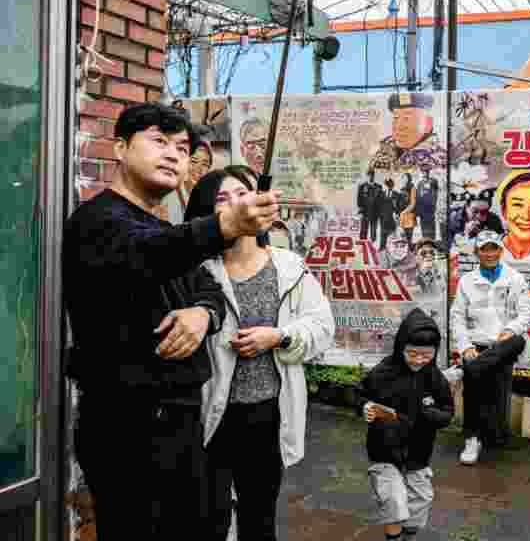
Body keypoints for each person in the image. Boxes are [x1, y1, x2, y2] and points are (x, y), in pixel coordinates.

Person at [63, 103, 279, 540]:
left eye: (181, 147)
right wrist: (226, 224)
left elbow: (209, 289)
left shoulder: (160, 227)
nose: (173, 155)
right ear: (120, 148)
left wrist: (203, 314)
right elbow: (148, 254)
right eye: (158, 141)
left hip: (178, 420)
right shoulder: (98, 220)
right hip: (129, 424)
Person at [184, 168, 336, 540]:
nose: (236, 202)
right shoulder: (194, 271)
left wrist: (279, 336)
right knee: (207, 519)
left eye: (243, 192)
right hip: (208, 416)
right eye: (222, 198)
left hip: (267, 414)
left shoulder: (288, 267)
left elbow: (322, 328)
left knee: (259, 518)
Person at [357, 308, 453, 541]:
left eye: (426, 355)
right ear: (401, 346)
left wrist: (431, 414)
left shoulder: (434, 378)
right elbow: (360, 394)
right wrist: (366, 407)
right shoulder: (383, 372)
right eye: (412, 353)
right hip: (384, 449)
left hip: (419, 453)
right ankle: (393, 537)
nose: (419, 360)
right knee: (393, 501)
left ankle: (408, 536)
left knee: (419, 502)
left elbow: (448, 412)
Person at [447, 230, 530, 464]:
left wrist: (511, 329)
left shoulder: (515, 278)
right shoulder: (467, 281)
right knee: (475, 388)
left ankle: (464, 369)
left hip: (505, 344)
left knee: (517, 340)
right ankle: (472, 439)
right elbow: (457, 318)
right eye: (484, 249)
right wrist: (465, 347)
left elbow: (528, 312)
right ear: (477, 252)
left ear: (500, 250)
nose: (489, 253)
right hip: (477, 346)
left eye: (493, 248)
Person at [414, 167, 439, 242]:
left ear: (429, 172)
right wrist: (418, 210)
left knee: (431, 224)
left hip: (430, 207)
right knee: (423, 225)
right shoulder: (420, 183)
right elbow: (418, 196)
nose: (425, 173)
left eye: (426, 171)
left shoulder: (433, 181)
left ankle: (432, 240)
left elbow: (436, 193)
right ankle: (425, 240)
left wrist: (434, 205)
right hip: (422, 208)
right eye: (423, 172)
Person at [358, 169, 382, 243]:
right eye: (369, 175)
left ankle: (372, 245)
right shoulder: (362, 186)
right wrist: (360, 210)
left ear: (374, 176)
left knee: (373, 231)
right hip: (365, 212)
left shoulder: (379, 187)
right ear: (366, 176)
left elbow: (381, 200)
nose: (370, 177)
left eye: (372, 175)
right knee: (363, 230)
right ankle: (362, 246)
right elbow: (359, 199)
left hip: (375, 212)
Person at [378, 177, 399, 252]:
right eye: (387, 184)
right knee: (383, 234)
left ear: (392, 185)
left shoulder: (396, 194)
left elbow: (398, 207)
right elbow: (379, 206)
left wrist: (397, 215)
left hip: (392, 218)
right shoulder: (381, 194)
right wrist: (380, 216)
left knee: (392, 235)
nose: (389, 186)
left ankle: (391, 249)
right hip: (383, 218)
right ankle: (382, 248)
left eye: (390, 184)